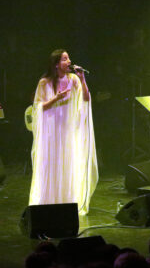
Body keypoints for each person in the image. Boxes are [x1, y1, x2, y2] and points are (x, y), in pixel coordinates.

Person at [28, 49, 98, 216]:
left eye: (69, 58)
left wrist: (82, 79)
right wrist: (56, 99)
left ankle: (67, 202)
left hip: (68, 128)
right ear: (56, 64)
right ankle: (49, 202)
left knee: (67, 164)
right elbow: (38, 107)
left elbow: (86, 98)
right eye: (65, 59)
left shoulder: (73, 79)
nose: (69, 62)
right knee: (52, 164)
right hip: (52, 130)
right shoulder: (44, 82)